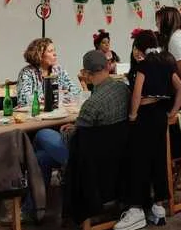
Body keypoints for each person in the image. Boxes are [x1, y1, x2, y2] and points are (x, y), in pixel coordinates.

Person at [116, 32, 181, 230]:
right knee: (158, 159)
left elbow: (137, 93)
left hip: (145, 116)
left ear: (139, 48)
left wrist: (132, 115)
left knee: (139, 160)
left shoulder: (143, 66)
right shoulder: (166, 63)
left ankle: (136, 207)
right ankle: (158, 206)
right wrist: (173, 112)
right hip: (160, 115)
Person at [34, 50, 129, 188]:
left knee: (42, 134)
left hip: (88, 156)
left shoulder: (92, 104)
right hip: (115, 152)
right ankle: (38, 199)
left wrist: (67, 131)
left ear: (87, 74)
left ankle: (59, 182)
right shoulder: (123, 89)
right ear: (108, 66)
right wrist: (76, 127)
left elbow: (76, 138)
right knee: (42, 157)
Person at [16, 38, 78, 108]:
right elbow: (24, 100)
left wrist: (62, 96)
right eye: (50, 51)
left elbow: (75, 92)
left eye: (54, 50)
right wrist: (53, 98)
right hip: (33, 113)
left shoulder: (59, 70)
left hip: (56, 111)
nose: (55, 54)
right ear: (39, 55)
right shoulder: (27, 72)